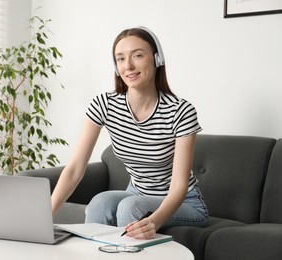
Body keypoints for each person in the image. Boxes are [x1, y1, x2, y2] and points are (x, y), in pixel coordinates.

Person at [51, 26, 208, 240]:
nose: (129, 66)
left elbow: (180, 186)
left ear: (156, 59)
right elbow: (75, 168)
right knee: (100, 202)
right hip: (135, 194)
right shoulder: (104, 104)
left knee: (130, 206)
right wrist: (45, 215)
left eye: (138, 56)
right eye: (121, 59)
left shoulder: (180, 111)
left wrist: (154, 220)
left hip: (185, 202)